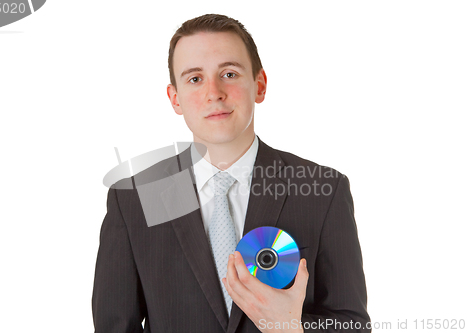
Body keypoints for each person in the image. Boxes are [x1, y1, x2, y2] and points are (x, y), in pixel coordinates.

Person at [92, 14, 371, 333]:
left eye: (229, 73)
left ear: (260, 84)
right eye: (195, 79)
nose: (214, 93)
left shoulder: (322, 190)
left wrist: (293, 327)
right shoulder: (136, 199)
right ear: (175, 98)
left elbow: (353, 324)